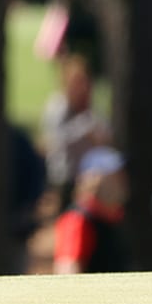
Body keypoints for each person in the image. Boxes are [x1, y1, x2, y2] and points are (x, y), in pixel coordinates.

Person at [40, 53, 110, 213]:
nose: (83, 87)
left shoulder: (89, 107)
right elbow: (56, 140)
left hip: (88, 181)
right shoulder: (58, 107)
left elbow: (105, 133)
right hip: (64, 180)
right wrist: (84, 130)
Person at [53, 146, 129, 274]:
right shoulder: (77, 220)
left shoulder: (112, 217)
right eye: (115, 175)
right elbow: (68, 271)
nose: (123, 180)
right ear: (94, 180)